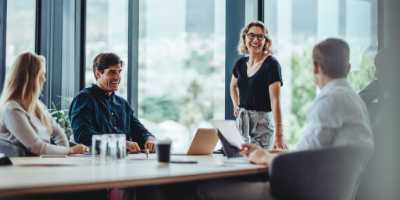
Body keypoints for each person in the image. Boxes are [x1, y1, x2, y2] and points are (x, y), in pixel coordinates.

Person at [196, 38, 374, 200]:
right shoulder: (355, 101)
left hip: (301, 192)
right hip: (330, 192)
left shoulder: (330, 100)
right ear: (348, 68)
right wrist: (266, 153)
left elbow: (303, 162)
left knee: (205, 189)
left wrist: (265, 158)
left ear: (315, 67)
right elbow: (313, 153)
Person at [0, 52, 88, 155]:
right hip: (25, 167)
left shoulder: (36, 105)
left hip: (42, 162)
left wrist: (65, 155)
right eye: (43, 74)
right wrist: (70, 150)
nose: (45, 79)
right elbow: (37, 147)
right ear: (33, 78)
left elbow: (58, 133)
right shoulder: (12, 110)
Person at [69, 53, 156, 153]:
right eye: (112, 72)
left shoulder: (123, 104)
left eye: (119, 72)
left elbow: (139, 131)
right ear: (98, 74)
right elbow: (82, 134)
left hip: (124, 162)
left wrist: (149, 138)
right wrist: (119, 142)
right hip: (95, 162)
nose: (118, 77)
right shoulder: (84, 98)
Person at [231, 21, 288, 150]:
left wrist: (279, 135)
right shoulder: (240, 63)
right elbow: (233, 85)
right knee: (240, 165)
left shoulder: (271, 64)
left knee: (260, 166)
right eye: (251, 35)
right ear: (244, 38)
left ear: (265, 40)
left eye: (260, 36)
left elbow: (275, 101)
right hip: (242, 121)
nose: (255, 40)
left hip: (262, 124)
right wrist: (236, 104)